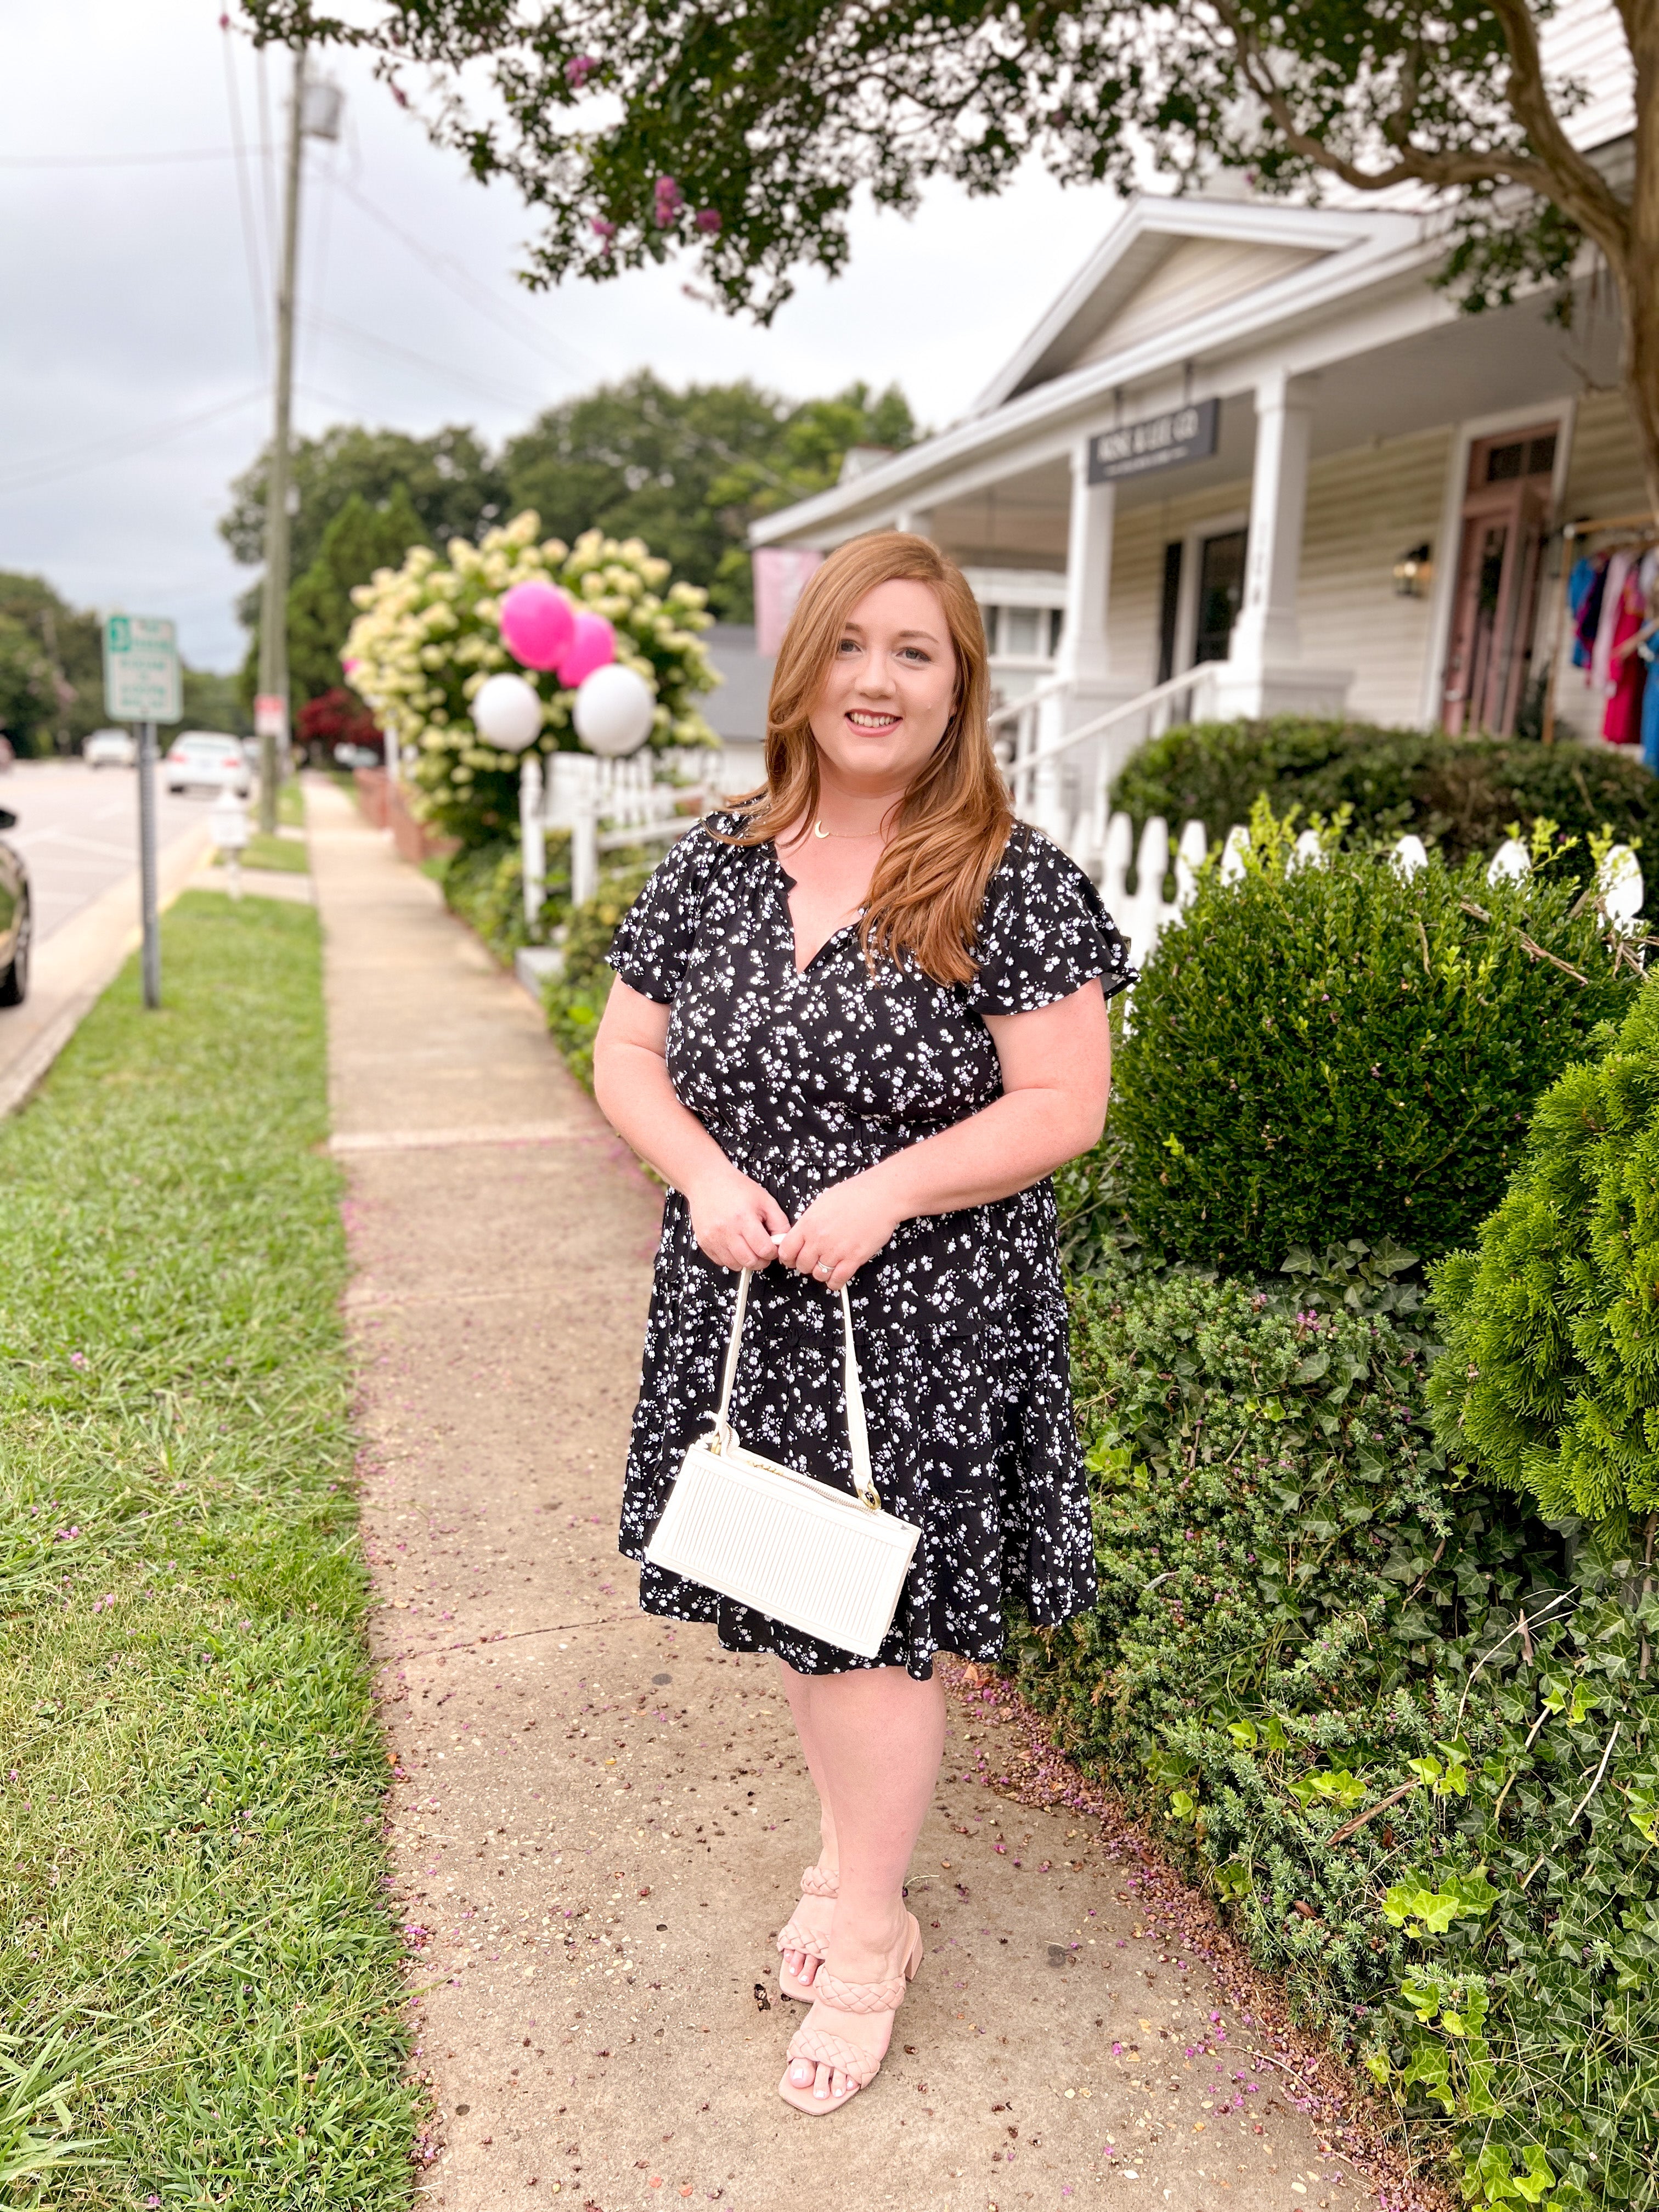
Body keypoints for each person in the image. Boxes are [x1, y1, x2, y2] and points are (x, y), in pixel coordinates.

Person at [591, 531, 1132, 2118]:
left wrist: (892, 1188)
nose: (876, 680)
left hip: (928, 1316)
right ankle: (849, 1857)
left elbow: (1066, 1103)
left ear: (960, 684)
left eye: (916, 651)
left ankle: (875, 1925)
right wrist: (695, 1172)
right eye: (851, 645)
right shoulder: (715, 862)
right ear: (804, 667)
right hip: (751, 1296)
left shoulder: (1009, 879)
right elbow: (628, 1053)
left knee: (872, 1631)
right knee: (800, 1594)